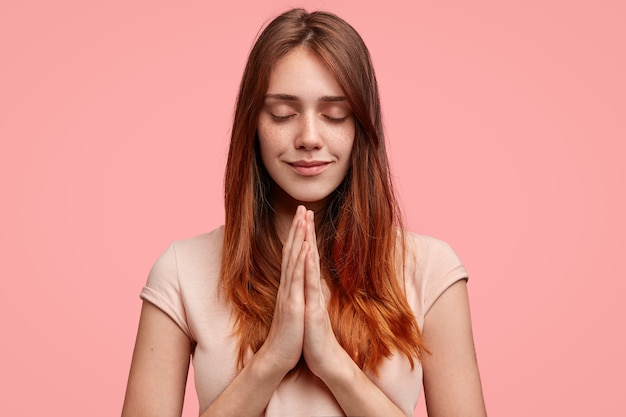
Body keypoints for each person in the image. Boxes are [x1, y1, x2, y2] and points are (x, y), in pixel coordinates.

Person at [122, 8, 486, 417]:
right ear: (253, 124)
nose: (309, 138)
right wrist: (272, 359)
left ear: (360, 129)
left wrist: (332, 363)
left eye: (334, 115)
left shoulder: (431, 270)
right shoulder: (181, 270)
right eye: (283, 114)